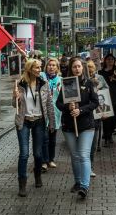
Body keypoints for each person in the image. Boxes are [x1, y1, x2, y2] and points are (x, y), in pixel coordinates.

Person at [56, 57, 100, 199]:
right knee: (74, 156)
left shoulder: (89, 83)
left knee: (83, 155)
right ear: (71, 68)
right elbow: (59, 103)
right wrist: (67, 107)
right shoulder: (66, 83)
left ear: (83, 68)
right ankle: (77, 181)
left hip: (86, 125)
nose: (77, 69)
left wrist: (80, 110)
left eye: (79, 66)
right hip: (69, 125)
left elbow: (95, 102)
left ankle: (84, 186)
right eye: (74, 66)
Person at [12, 58, 55, 197]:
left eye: (40, 67)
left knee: (37, 153)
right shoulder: (20, 84)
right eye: (37, 68)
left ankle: (37, 176)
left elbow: (49, 104)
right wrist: (15, 97)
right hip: (24, 121)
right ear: (29, 69)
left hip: (39, 121)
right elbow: (15, 105)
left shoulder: (44, 84)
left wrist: (52, 123)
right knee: (24, 153)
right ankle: (22, 183)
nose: (39, 70)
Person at [86, 60, 108, 177]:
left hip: (96, 114)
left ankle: (90, 166)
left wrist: (104, 111)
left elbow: (106, 92)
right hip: (84, 114)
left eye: (92, 69)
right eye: (88, 69)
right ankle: (84, 166)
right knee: (85, 145)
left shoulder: (100, 78)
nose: (90, 71)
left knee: (93, 144)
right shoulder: (82, 79)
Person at [40, 58, 62, 170]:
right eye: (49, 65)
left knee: (52, 138)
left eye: (54, 65)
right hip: (43, 112)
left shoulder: (61, 80)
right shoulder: (41, 77)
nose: (51, 67)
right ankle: (43, 161)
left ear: (57, 68)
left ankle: (51, 159)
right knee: (44, 138)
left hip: (55, 113)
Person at [98, 54, 116, 145]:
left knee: (113, 118)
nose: (110, 61)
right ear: (105, 61)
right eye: (108, 59)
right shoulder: (100, 72)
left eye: (112, 59)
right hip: (104, 97)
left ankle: (110, 132)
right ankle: (107, 136)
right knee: (105, 118)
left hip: (115, 97)